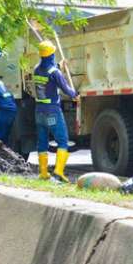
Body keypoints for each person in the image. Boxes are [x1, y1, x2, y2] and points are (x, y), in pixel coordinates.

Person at [34, 40, 78, 182]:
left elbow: (48, 73)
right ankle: (58, 172)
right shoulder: (55, 72)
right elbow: (66, 89)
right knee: (62, 141)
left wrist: (59, 65)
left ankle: (43, 173)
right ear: (52, 54)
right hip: (52, 112)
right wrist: (75, 95)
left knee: (42, 142)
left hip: (39, 112)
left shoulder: (36, 69)